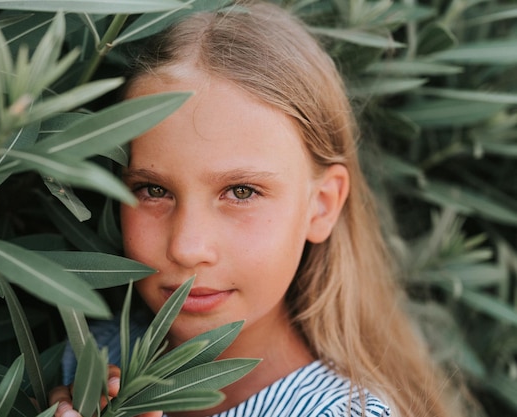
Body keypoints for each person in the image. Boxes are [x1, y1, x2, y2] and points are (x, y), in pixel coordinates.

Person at [49, 1, 458, 416]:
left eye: (241, 192)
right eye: (153, 189)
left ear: (322, 205)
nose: (188, 247)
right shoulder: (88, 357)